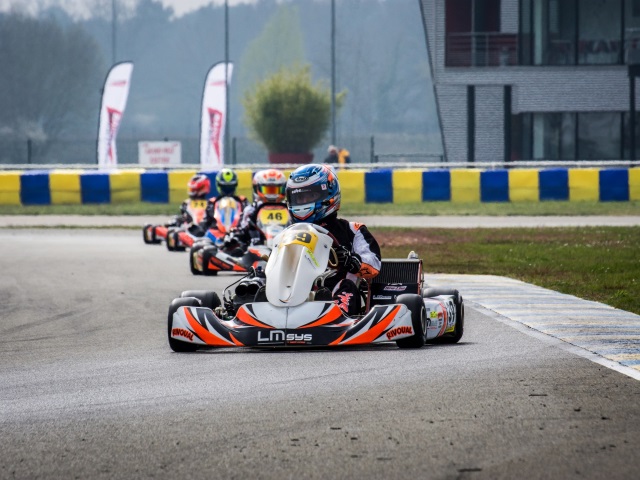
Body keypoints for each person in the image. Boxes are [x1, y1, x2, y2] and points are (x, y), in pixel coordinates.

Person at [285, 163, 381, 315]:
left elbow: (374, 265)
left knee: (346, 286)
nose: (304, 202)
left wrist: (352, 260)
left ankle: (335, 315)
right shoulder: (289, 234)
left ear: (329, 194)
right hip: (292, 292)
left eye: (310, 196)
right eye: (299, 197)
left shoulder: (352, 230)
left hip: (336, 291)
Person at [231, 168, 288, 246]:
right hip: (258, 247)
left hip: (286, 245)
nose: (271, 194)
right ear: (257, 189)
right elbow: (242, 230)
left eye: (275, 190)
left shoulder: (289, 208)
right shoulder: (251, 209)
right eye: (268, 190)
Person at [202, 168, 249, 232]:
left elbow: (249, 220)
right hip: (216, 234)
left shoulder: (242, 201)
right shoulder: (212, 202)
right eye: (225, 187)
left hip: (239, 233)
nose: (227, 190)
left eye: (230, 187)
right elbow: (205, 223)